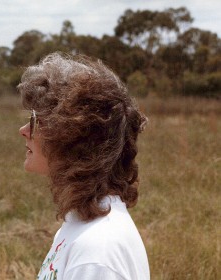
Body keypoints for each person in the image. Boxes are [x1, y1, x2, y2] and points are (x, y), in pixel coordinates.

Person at [18, 52, 150, 280]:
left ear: (72, 137)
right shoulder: (81, 224)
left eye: (35, 121)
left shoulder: (96, 253)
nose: (24, 130)